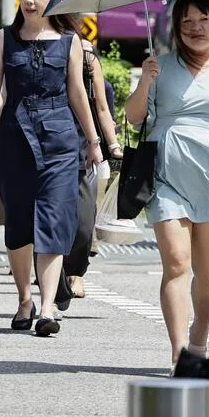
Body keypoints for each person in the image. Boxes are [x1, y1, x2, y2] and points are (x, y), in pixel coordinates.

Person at [122, 0, 209, 367]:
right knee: (177, 263)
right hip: (166, 174)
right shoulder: (160, 66)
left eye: (203, 20)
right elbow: (134, 116)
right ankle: (179, 351)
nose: (195, 28)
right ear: (177, 29)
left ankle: (199, 337)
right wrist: (146, 81)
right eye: (186, 22)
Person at [0, 0, 104, 337]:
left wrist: (93, 141)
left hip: (60, 142)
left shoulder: (69, 41)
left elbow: (78, 94)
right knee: (19, 224)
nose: (29, 0)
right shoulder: (4, 38)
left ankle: (47, 308)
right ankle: (24, 298)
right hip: (15, 138)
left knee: (55, 221)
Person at [58, 38, 125, 304]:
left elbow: (103, 111)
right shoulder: (53, 75)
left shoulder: (98, 82)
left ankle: (75, 272)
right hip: (55, 150)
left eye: (88, 53)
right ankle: (57, 276)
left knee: (85, 223)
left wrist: (114, 146)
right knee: (54, 219)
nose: (84, 58)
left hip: (87, 155)